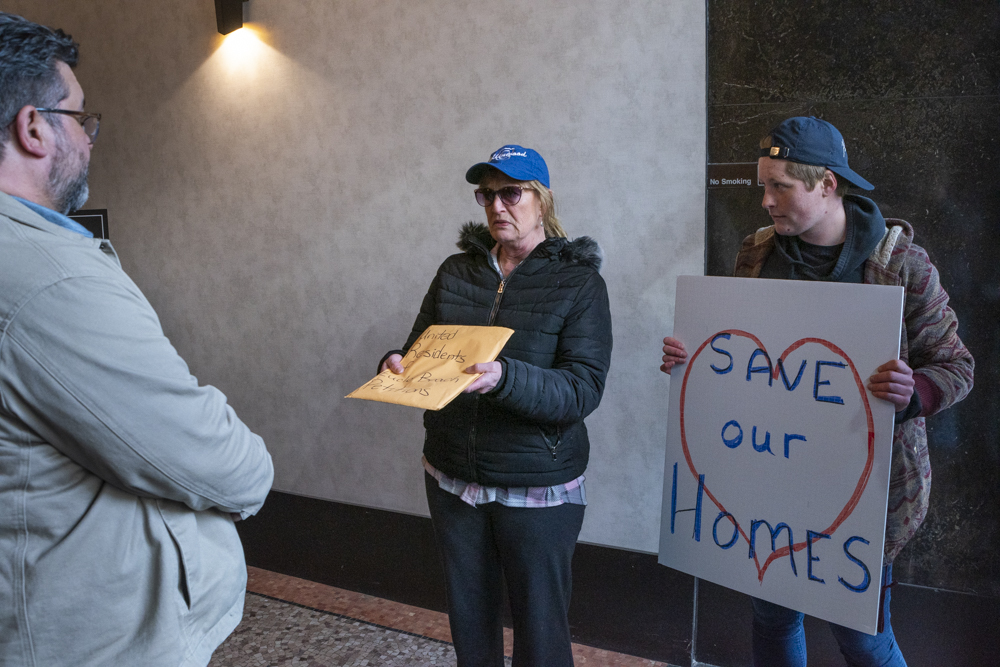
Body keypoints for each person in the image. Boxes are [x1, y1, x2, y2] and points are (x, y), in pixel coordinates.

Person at [0, 13, 274, 667]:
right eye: (80, 119)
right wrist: (254, 462)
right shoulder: (48, 279)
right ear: (34, 128)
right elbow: (218, 460)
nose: (90, 142)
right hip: (97, 641)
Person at [660, 117, 973, 667]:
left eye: (779, 185)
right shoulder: (756, 255)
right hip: (770, 480)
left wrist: (914, 389)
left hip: (863, 493)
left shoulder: (901, 265)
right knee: (773, 619)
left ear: (826, 184)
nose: (764, 201)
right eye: (763, 185)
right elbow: (743, 360)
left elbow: (956, 366)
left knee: (863, 638)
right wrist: (696, 366)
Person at [379, 145, 612, 666]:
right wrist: (397, 361)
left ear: (542, 200)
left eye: (512, 192)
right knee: (470, 621)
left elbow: (582, 390)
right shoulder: (456, 271)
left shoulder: (578, 283)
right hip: (452, 476)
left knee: (541, 630)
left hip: (537, 482)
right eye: (487, 194)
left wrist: (505, 379)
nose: (497, 206)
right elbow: (419, 347)